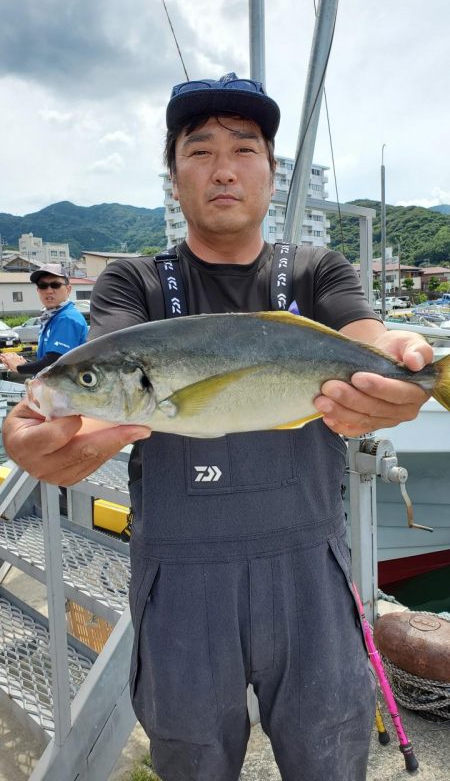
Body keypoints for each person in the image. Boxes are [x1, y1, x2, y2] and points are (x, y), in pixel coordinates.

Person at [2, 74, 433, 781]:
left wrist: (401, 370)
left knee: (331, 750)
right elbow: (92, 393)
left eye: (244, 148)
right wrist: (42, 440)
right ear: (174, 178)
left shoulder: (316, 269)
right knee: (191, 757)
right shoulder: (134, 284)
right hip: (181, 577)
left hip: (310, 570)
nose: (224, 167)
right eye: (199, 151)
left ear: (270, 169)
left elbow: (369, 337)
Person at [0, 263, 88, 376]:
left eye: (55, 285)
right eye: (43, 285)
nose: (49, 290)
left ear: (68, 289)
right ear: (38, 290)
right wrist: (25, 363)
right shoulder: (53, 317)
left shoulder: (66, 318)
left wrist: (19, 367)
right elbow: (48, 361)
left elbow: (54, 362)